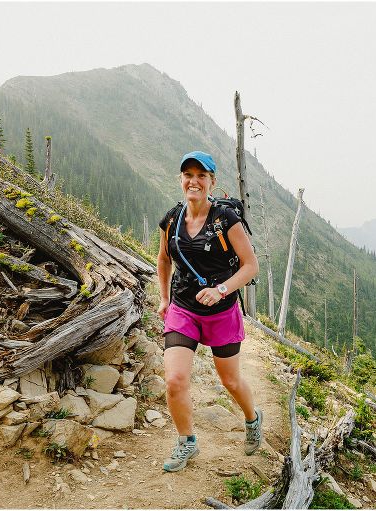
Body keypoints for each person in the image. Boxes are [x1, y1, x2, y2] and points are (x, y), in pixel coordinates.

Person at [157, 150, 261, 472]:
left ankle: (252, 418)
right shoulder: (172, 219)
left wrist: (221, 290)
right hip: (183, 310)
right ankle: (187, 442)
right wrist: (163, 299)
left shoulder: (226, 221)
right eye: (188, 175)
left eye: (201, 176)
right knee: (175, 380)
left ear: (212, 182)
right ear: (181, 180)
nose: (194, 181)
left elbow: (251, 266)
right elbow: (163, 259)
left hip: (222, 312)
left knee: (230, 381)